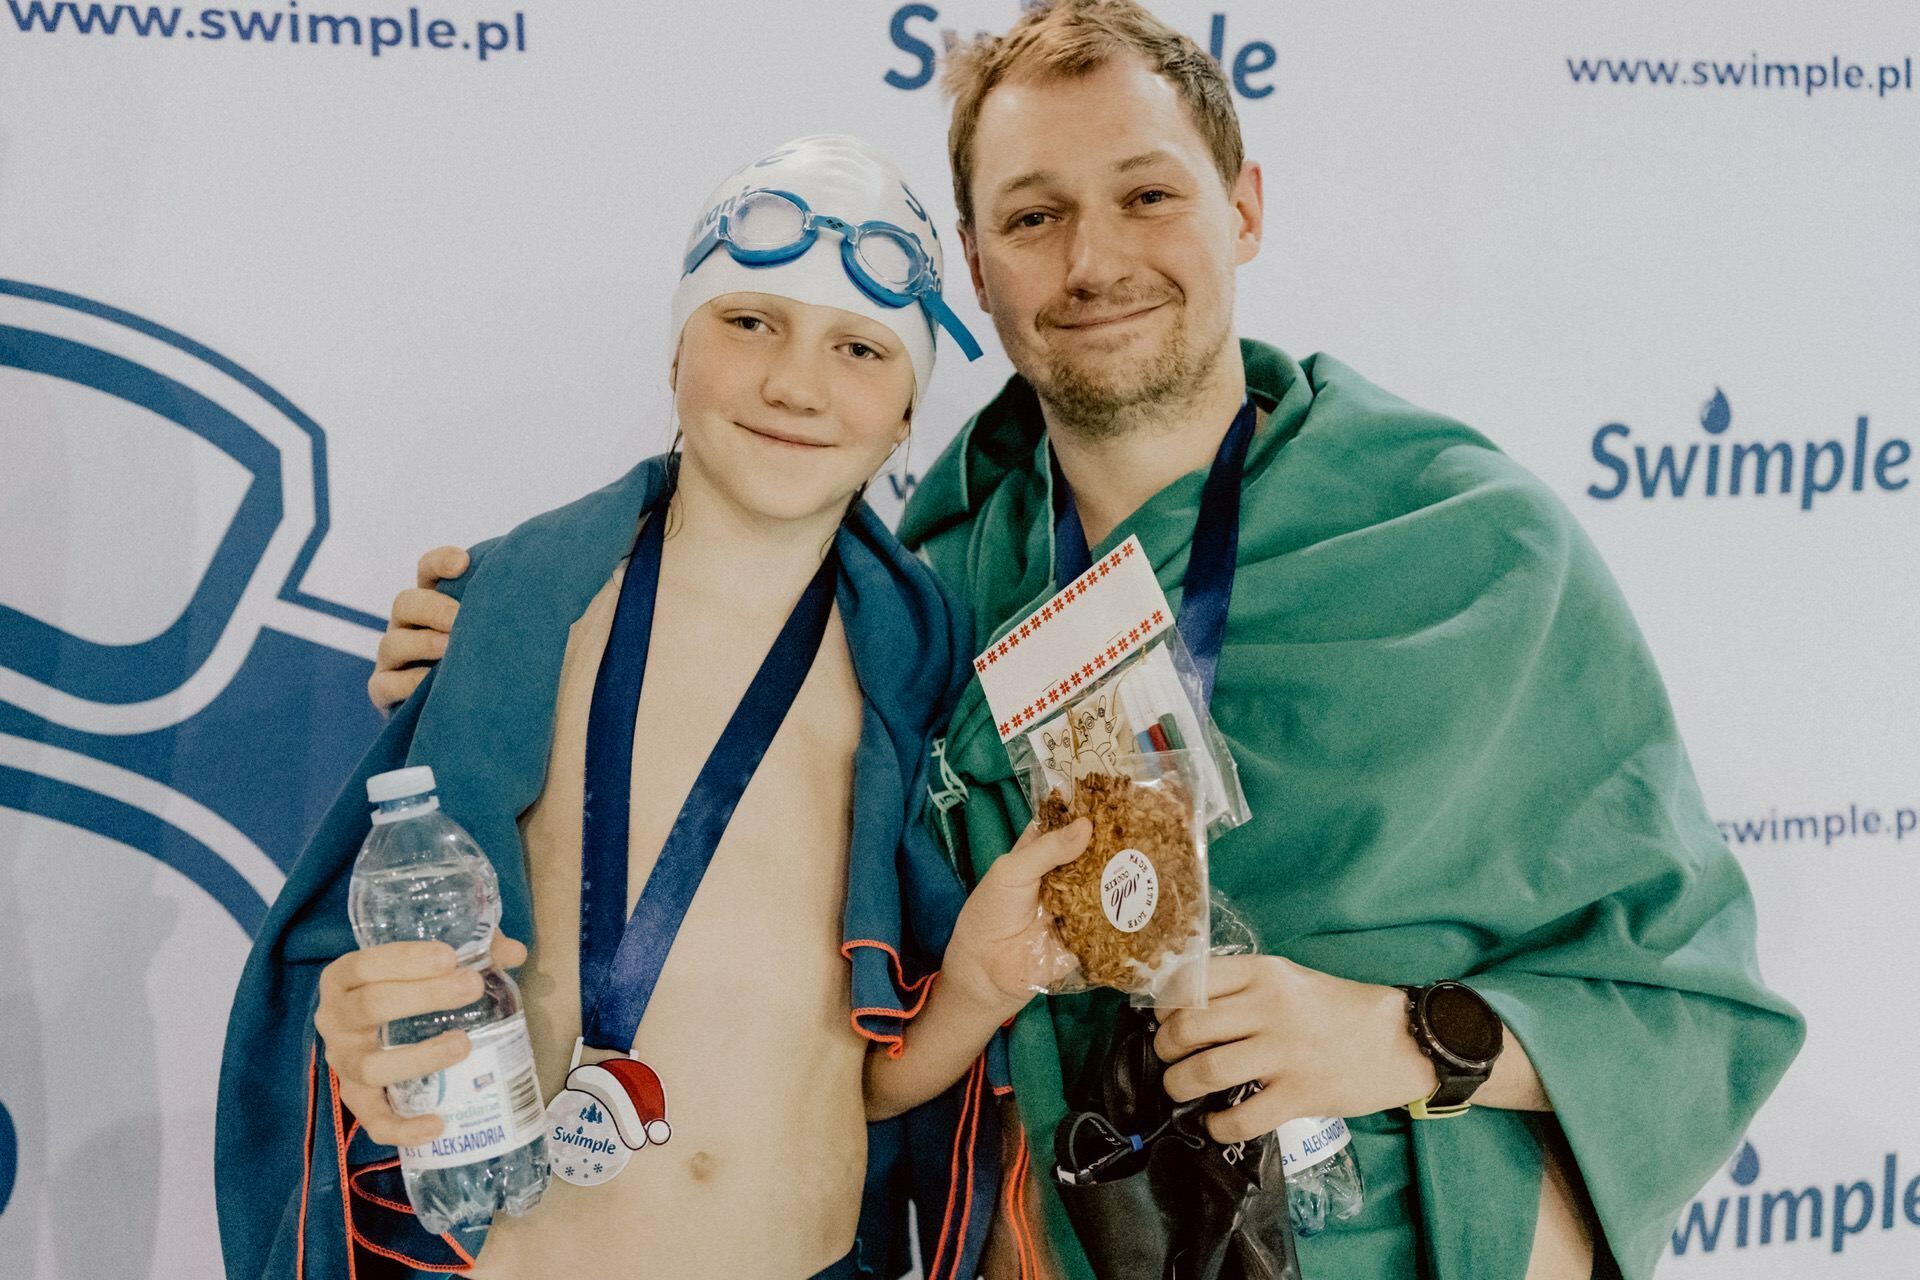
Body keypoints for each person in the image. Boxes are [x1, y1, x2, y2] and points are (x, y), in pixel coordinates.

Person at [369, 4, 1806, 1278]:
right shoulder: (914, 590)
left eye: (1147, 193)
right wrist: (491, 650)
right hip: (1041, 1236)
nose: (1096, 257)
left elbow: (1691, 1002)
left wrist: (1406, 1039)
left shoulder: (1469, 548)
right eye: (1035, 215)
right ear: (978, 280)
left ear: (1244, 207)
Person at [216, 133, 1093, 1280]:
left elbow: (872, 1082)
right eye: (749, 321)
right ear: (675, 352)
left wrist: (974, 980)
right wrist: (358, 1031)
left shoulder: (914, 676)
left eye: (860, 347)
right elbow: (375, 1006)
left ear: (905, 415)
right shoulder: (523, 621)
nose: (795, 382)